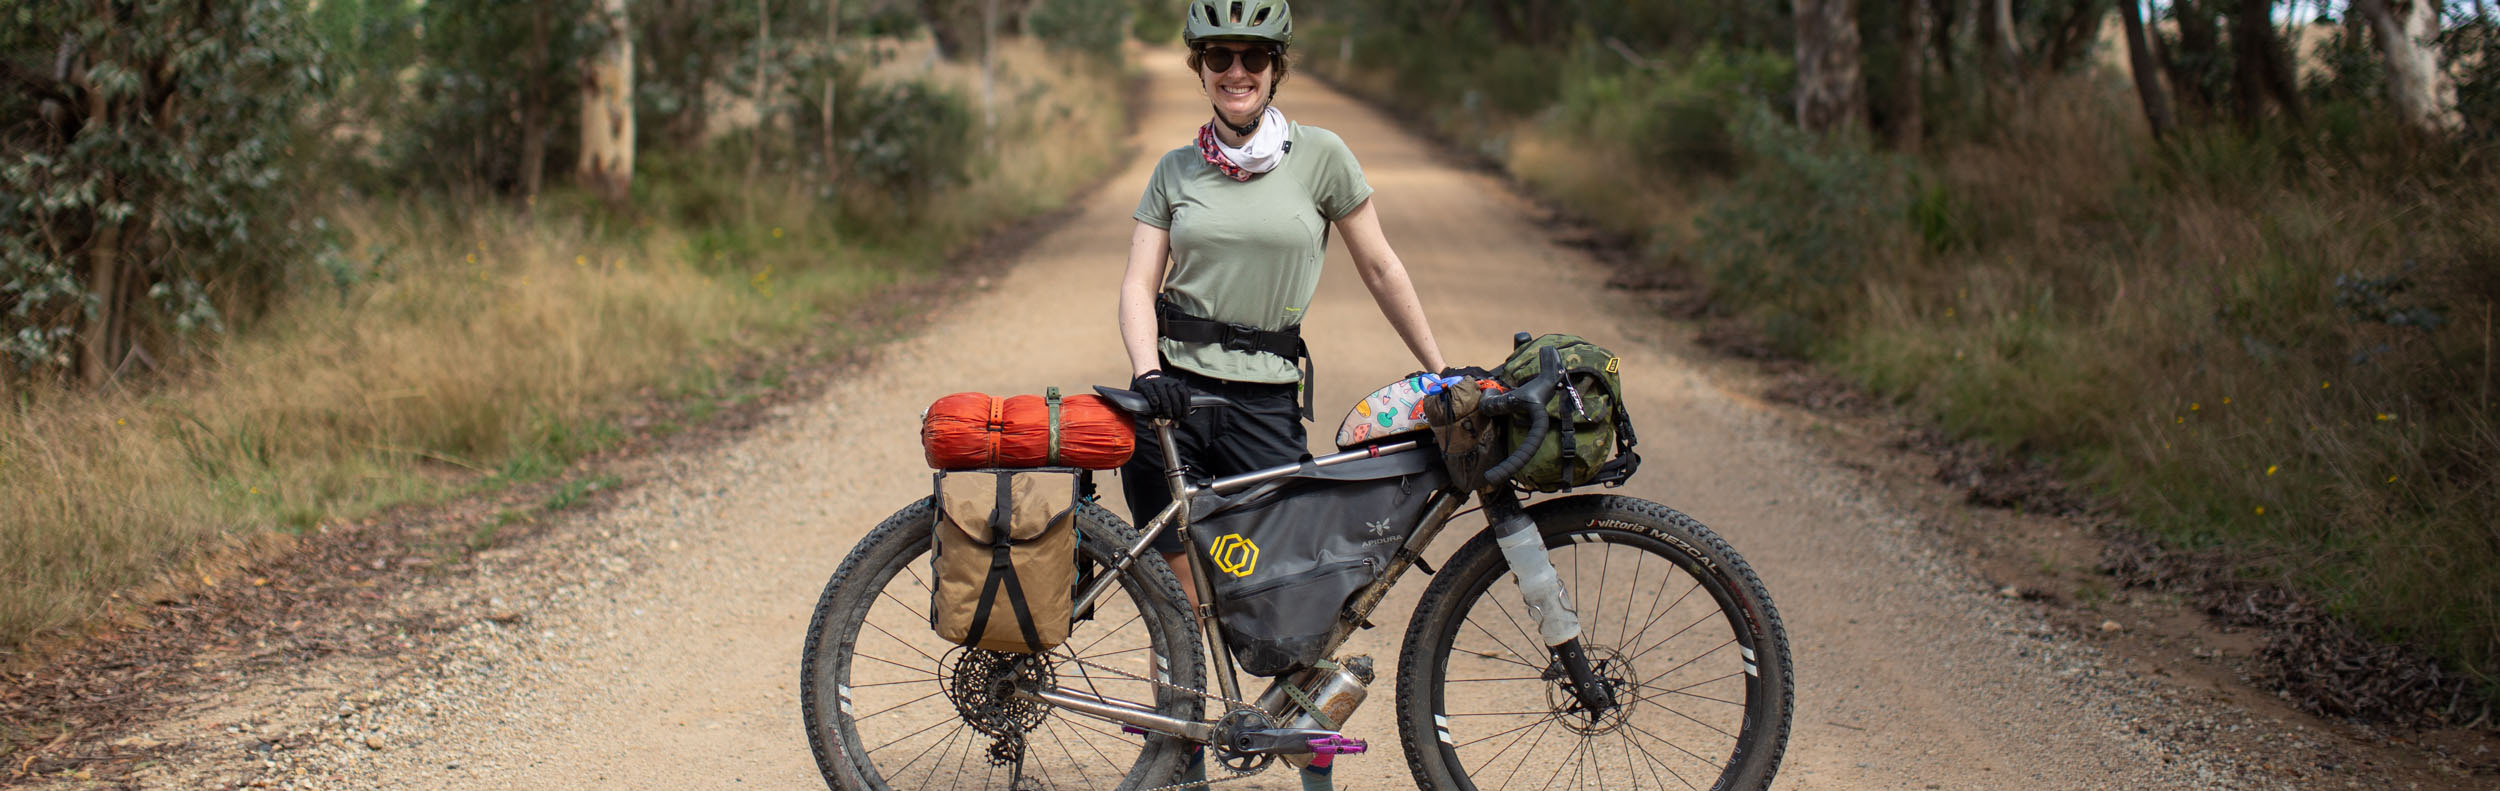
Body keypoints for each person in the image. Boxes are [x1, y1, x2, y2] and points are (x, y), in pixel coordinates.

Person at [1118, 2, 1448, 788]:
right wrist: (1144, 373)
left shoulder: (1322, 157)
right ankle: (1184, 755)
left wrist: (1441, 370)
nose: (1237, 71)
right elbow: (1137, 283)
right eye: (1220, 56)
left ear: (1278, 67)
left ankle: (1307, 760)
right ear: (1198, 64)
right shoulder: (1174, 170)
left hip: (1266, 407)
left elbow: (1381, 267)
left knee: (1295, 595)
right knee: (1182, 602)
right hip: (1174, 406)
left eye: (1254, 57)